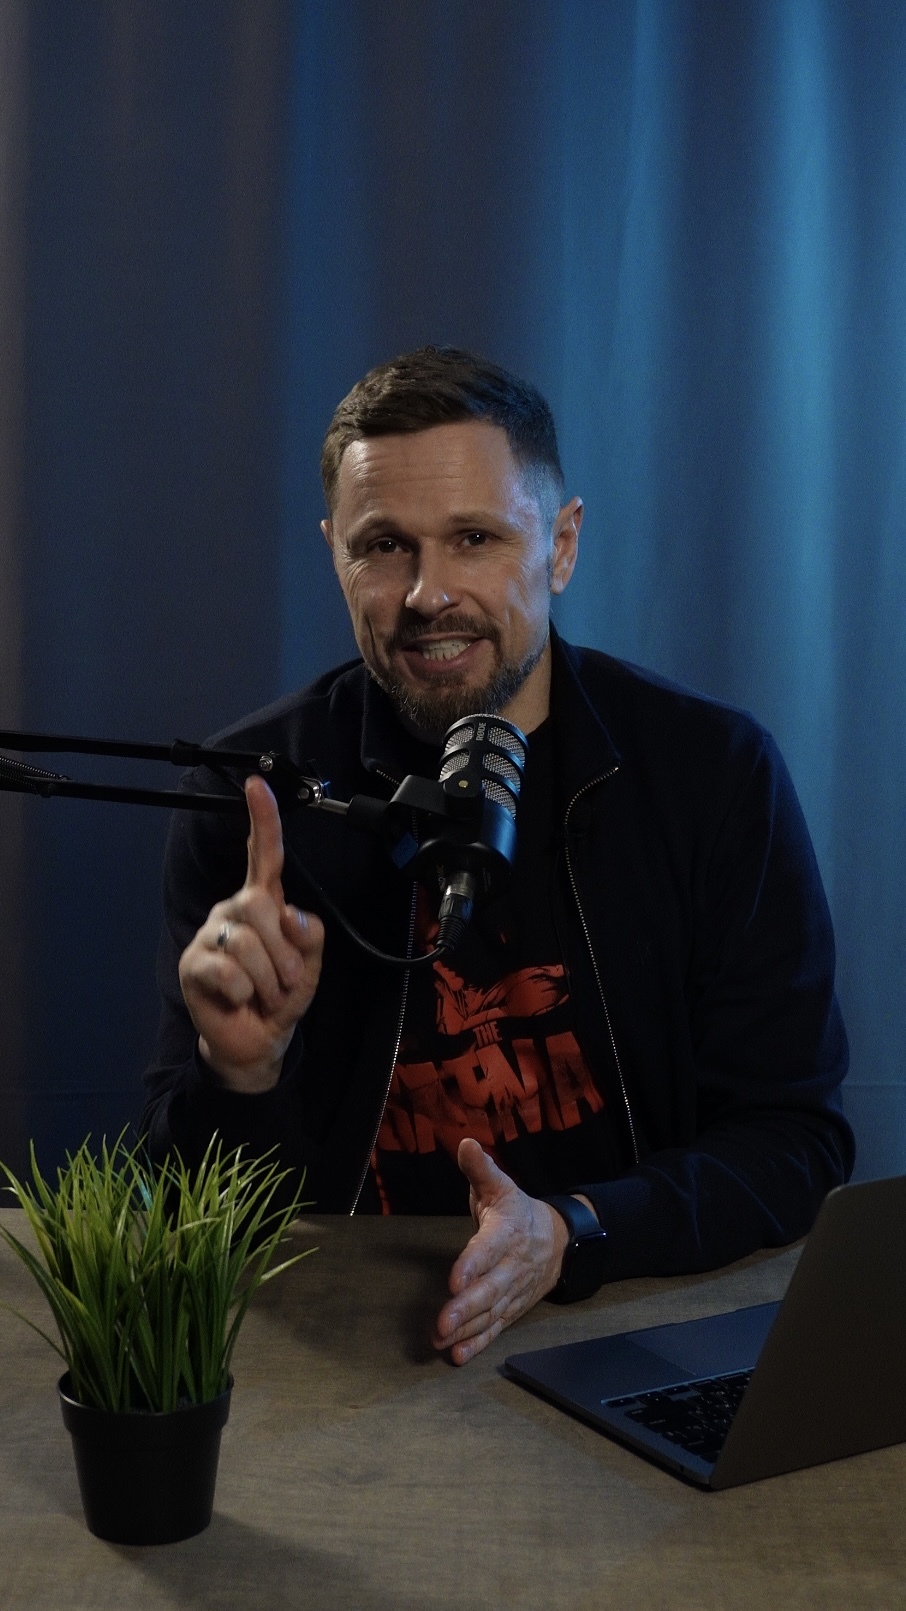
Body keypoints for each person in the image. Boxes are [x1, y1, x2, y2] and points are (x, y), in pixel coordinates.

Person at [143, 346, 853, 1365]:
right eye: (384, 546)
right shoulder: (253, 797)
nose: (429, 593)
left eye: (474, 538)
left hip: (630, 1317)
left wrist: (573, 1231)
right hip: (341, 1341)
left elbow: (795, 1139)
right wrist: (238, 1072)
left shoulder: (712, 773)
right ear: (335, 555)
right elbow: (191, 1218)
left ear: (561, 546)